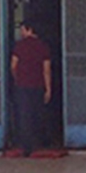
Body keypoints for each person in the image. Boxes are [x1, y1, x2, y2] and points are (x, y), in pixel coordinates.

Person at [7, 22, 51, 157]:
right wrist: (48, 89)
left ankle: (27, 147)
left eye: (22, 30)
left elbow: (13, 66)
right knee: (37, 114)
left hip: (22, 86)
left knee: (24, 115)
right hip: (38, 86)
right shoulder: (43, 47)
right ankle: (40, 143)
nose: (21, 33)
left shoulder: (19, 46)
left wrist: (17, 78)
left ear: (29, 30)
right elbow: (46, 70)